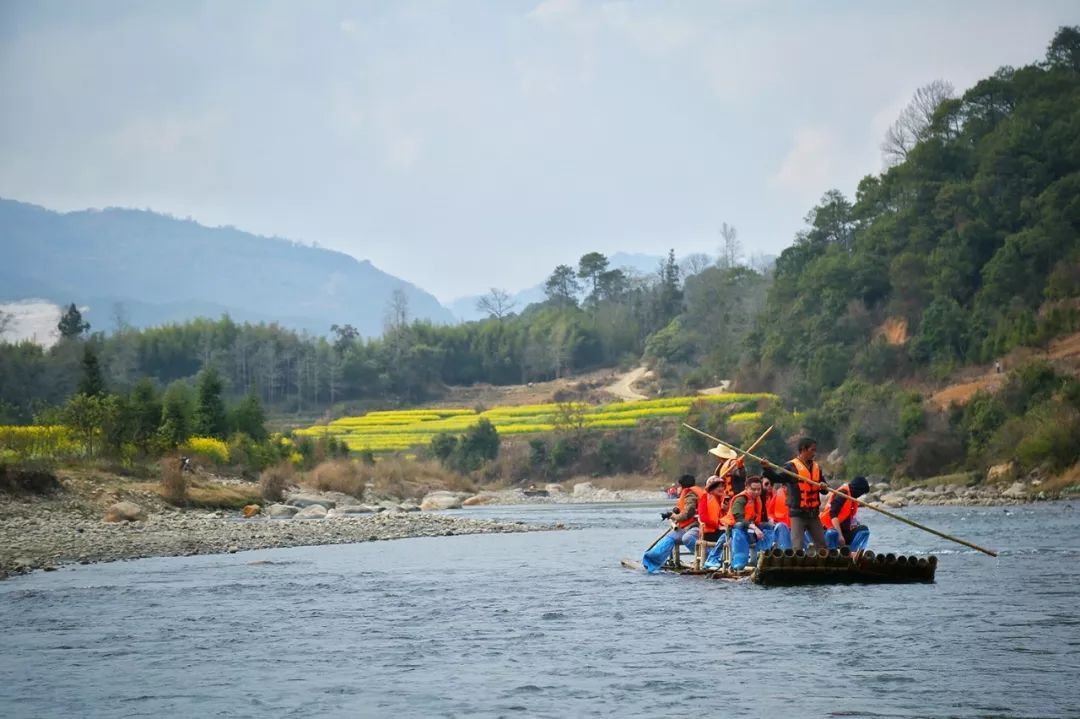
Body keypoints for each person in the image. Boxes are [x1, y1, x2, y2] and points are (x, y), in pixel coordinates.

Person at [761, 437, 830, 551]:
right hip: (798, 513)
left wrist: (823, 486)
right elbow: (777, 478)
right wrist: (767, 469)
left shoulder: (816, 467)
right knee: (797, 546)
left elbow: (824, 490)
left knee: (822, 544)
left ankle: (822, 565)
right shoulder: (791, 467)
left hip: (813, 513)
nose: (814, 453)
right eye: (812, 450)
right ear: (803, 449)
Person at [642, 475, 703, 572]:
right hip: (686, 527)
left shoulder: (690, 495)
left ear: (682, 485)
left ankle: (704, 559)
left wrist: (673, 516)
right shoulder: (690, 493)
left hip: (694, 526)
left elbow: (688, 514)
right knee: (670, 538)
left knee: (683, 538)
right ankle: (652, 559)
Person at [719, 475, 768, 570]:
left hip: (751, 531)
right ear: (746, 488)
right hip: (736, 531)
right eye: (753, 489)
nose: (757, 492)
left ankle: (765, 558)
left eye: (759, 489)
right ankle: (739, 563)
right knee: (739, 525)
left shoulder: (758, 498)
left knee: (770, 526)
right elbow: (739, 518)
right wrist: (754, 528)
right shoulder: (741, 499)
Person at [819, 475, 871, 550]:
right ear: (858, 489)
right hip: (829, 530)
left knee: (864, 530)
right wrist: (840, 536)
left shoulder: (853, 498)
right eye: (861, 493)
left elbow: (851, 518)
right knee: (832, 533)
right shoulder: (842, 494)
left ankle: (852, 552)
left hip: (844, 532)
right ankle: (832, 552)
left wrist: (855, 525)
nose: (860, 495)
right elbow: (833, 514)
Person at [707, 443, 746, 513]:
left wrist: (740, 468)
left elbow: (741, 475)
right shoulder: (722, 464)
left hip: (734, 496)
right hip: (724, 496)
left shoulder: (732, 463)